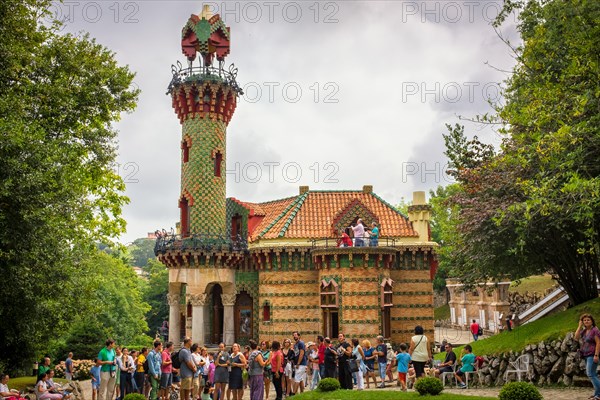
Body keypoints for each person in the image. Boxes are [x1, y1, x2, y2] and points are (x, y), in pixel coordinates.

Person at [575, 313, 600, 400]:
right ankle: (597, 394)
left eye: (588, 320)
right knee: (593, 374)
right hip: (586, 355)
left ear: (592, 321)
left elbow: (598, 343)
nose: (586, 321)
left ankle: (599, 394)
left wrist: (596, 355)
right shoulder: (584, 331)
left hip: (592, 355)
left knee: (591, 374)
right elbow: (576, 337)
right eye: (584, 320)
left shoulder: (595, 330)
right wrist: (579, 326)